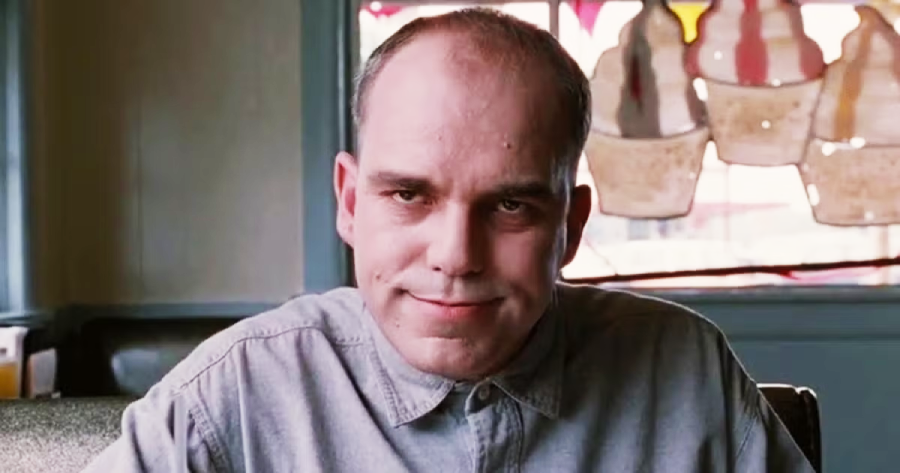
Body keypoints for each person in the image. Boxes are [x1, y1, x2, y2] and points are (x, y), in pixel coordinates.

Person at [84, 8, 815, 472]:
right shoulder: (231, 397)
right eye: (409, 194)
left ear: (571, 227)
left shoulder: (683, 372)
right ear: (349, 201)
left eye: (511, 205)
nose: (455, 254)